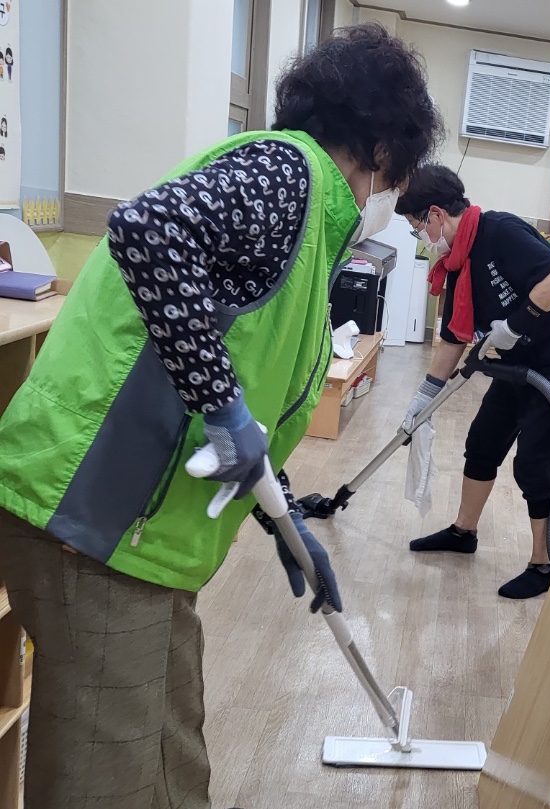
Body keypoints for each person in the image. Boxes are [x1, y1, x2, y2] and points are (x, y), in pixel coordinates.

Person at [0, 23, 442, 809]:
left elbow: (246, 374)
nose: (395, 198)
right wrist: (222, 406)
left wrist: (281, 511)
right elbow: (148, 230)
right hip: (95, 521)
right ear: (382, 150)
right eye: (400, 178)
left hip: (148, 541)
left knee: (174, 763)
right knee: (110, 776)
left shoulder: (306, 221)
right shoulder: (287, 173)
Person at [395, 165, 550, 600]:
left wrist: (514, 324)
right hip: (517, 356)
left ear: (435, 214)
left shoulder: (500, 231)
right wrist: (423, 400)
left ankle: (543, 563)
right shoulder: (457, 260)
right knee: (484, 440)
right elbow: (454, 336)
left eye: (417, 227)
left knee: (536, 458)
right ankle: (463, 531)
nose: (421, 237)